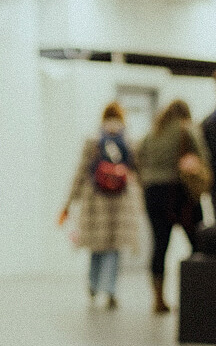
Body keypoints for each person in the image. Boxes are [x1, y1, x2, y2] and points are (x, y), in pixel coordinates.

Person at [57, 101, 140, 309]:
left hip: (96, 201)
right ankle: (110, 290)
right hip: (120, 203)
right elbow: (136, 173)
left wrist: (69, 203)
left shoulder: (93, 141)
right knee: (113, 248)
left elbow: (81, 173)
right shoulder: (129, 142)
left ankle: (93, 286)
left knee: (97, 247)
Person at [136, 98, 212, 313]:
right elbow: (202, 157)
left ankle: (158, 300)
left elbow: (137, 158)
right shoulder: (186, 129)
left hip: (153, 192)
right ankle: (197, 298)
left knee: (160, 244)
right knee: (199, 242)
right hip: (179, 192)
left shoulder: (152, 134)